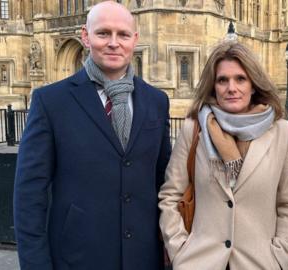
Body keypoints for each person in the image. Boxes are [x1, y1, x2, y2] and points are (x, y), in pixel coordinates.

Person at [13, 1, 171, 269]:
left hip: (144, 258)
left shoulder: (156, 100)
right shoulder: (51, 101)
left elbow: (164, 181)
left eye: (122, 34)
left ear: (134, 40)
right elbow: (29, 195)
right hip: (78, 258)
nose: (113, 43)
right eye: (103, 33)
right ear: (85, 37)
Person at [158, 41, 288, 270]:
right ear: (213, 86)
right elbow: (170, 196)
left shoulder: (282, 132)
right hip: (200, 262)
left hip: (259, 264)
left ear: (254, 84)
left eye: (240, 79)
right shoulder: (194, 128)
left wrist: (280, 258)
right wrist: (180, 251)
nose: (231, 88)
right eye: (222, 80)